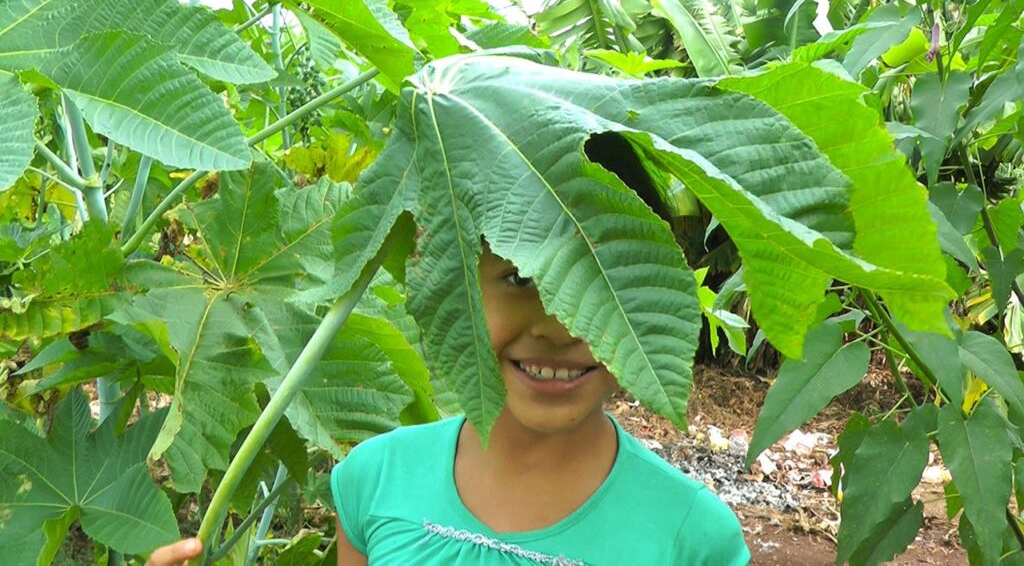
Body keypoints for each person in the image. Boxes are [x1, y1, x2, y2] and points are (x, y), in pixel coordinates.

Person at [146, 134, 750, 565]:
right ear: (455, 281)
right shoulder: (373, 480)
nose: (560, 325)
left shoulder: (692, 538)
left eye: (599, 283)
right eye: (519, 279)